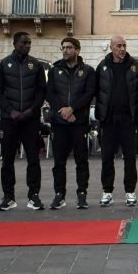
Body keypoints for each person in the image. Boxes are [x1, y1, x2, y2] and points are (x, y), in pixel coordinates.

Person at [0, 31, 46, 211]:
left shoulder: (36, 65)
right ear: (15, 44)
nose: (27, 46)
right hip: (10, 120)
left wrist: (32, 110)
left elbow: (41, 91)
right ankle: (8, 197)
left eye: (29, 43)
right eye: (24, 43)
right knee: (7, 160)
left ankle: (34, 196)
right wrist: (10, 110)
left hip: (31, 120)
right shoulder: (2, 65)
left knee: (33, 159)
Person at [46, 37, 97, 209]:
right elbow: (50, 93)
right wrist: (64, 111)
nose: (66, 50)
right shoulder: (54, 70)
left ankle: (82, 194)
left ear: (77, 50)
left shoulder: (88, 71)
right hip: (59, 123)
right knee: (59, 162)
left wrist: (73, 109)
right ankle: (59, 195)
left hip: (79, 122)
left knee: (81, 160)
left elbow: (89, 93)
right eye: (63, 48)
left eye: (69, 47)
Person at [94, 35, 138, 207]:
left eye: (124, 45)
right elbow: (96, 90)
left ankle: (130, 191)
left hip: (128, 119)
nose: (122, 49)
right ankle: (107, 191)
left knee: (130, 157)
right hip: (108, 120)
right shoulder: (103, 66)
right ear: (111, 47)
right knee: (107, 157)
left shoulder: (134, 65)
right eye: (118, 46)